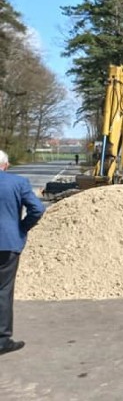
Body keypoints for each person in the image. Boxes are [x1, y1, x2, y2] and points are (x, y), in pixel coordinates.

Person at [0, 149, 45, 356]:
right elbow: (37, 209)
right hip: (8, 243)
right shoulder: (18, 183)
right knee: (3, 291)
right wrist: (22, 228)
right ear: (6, 165)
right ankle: (2, 339)